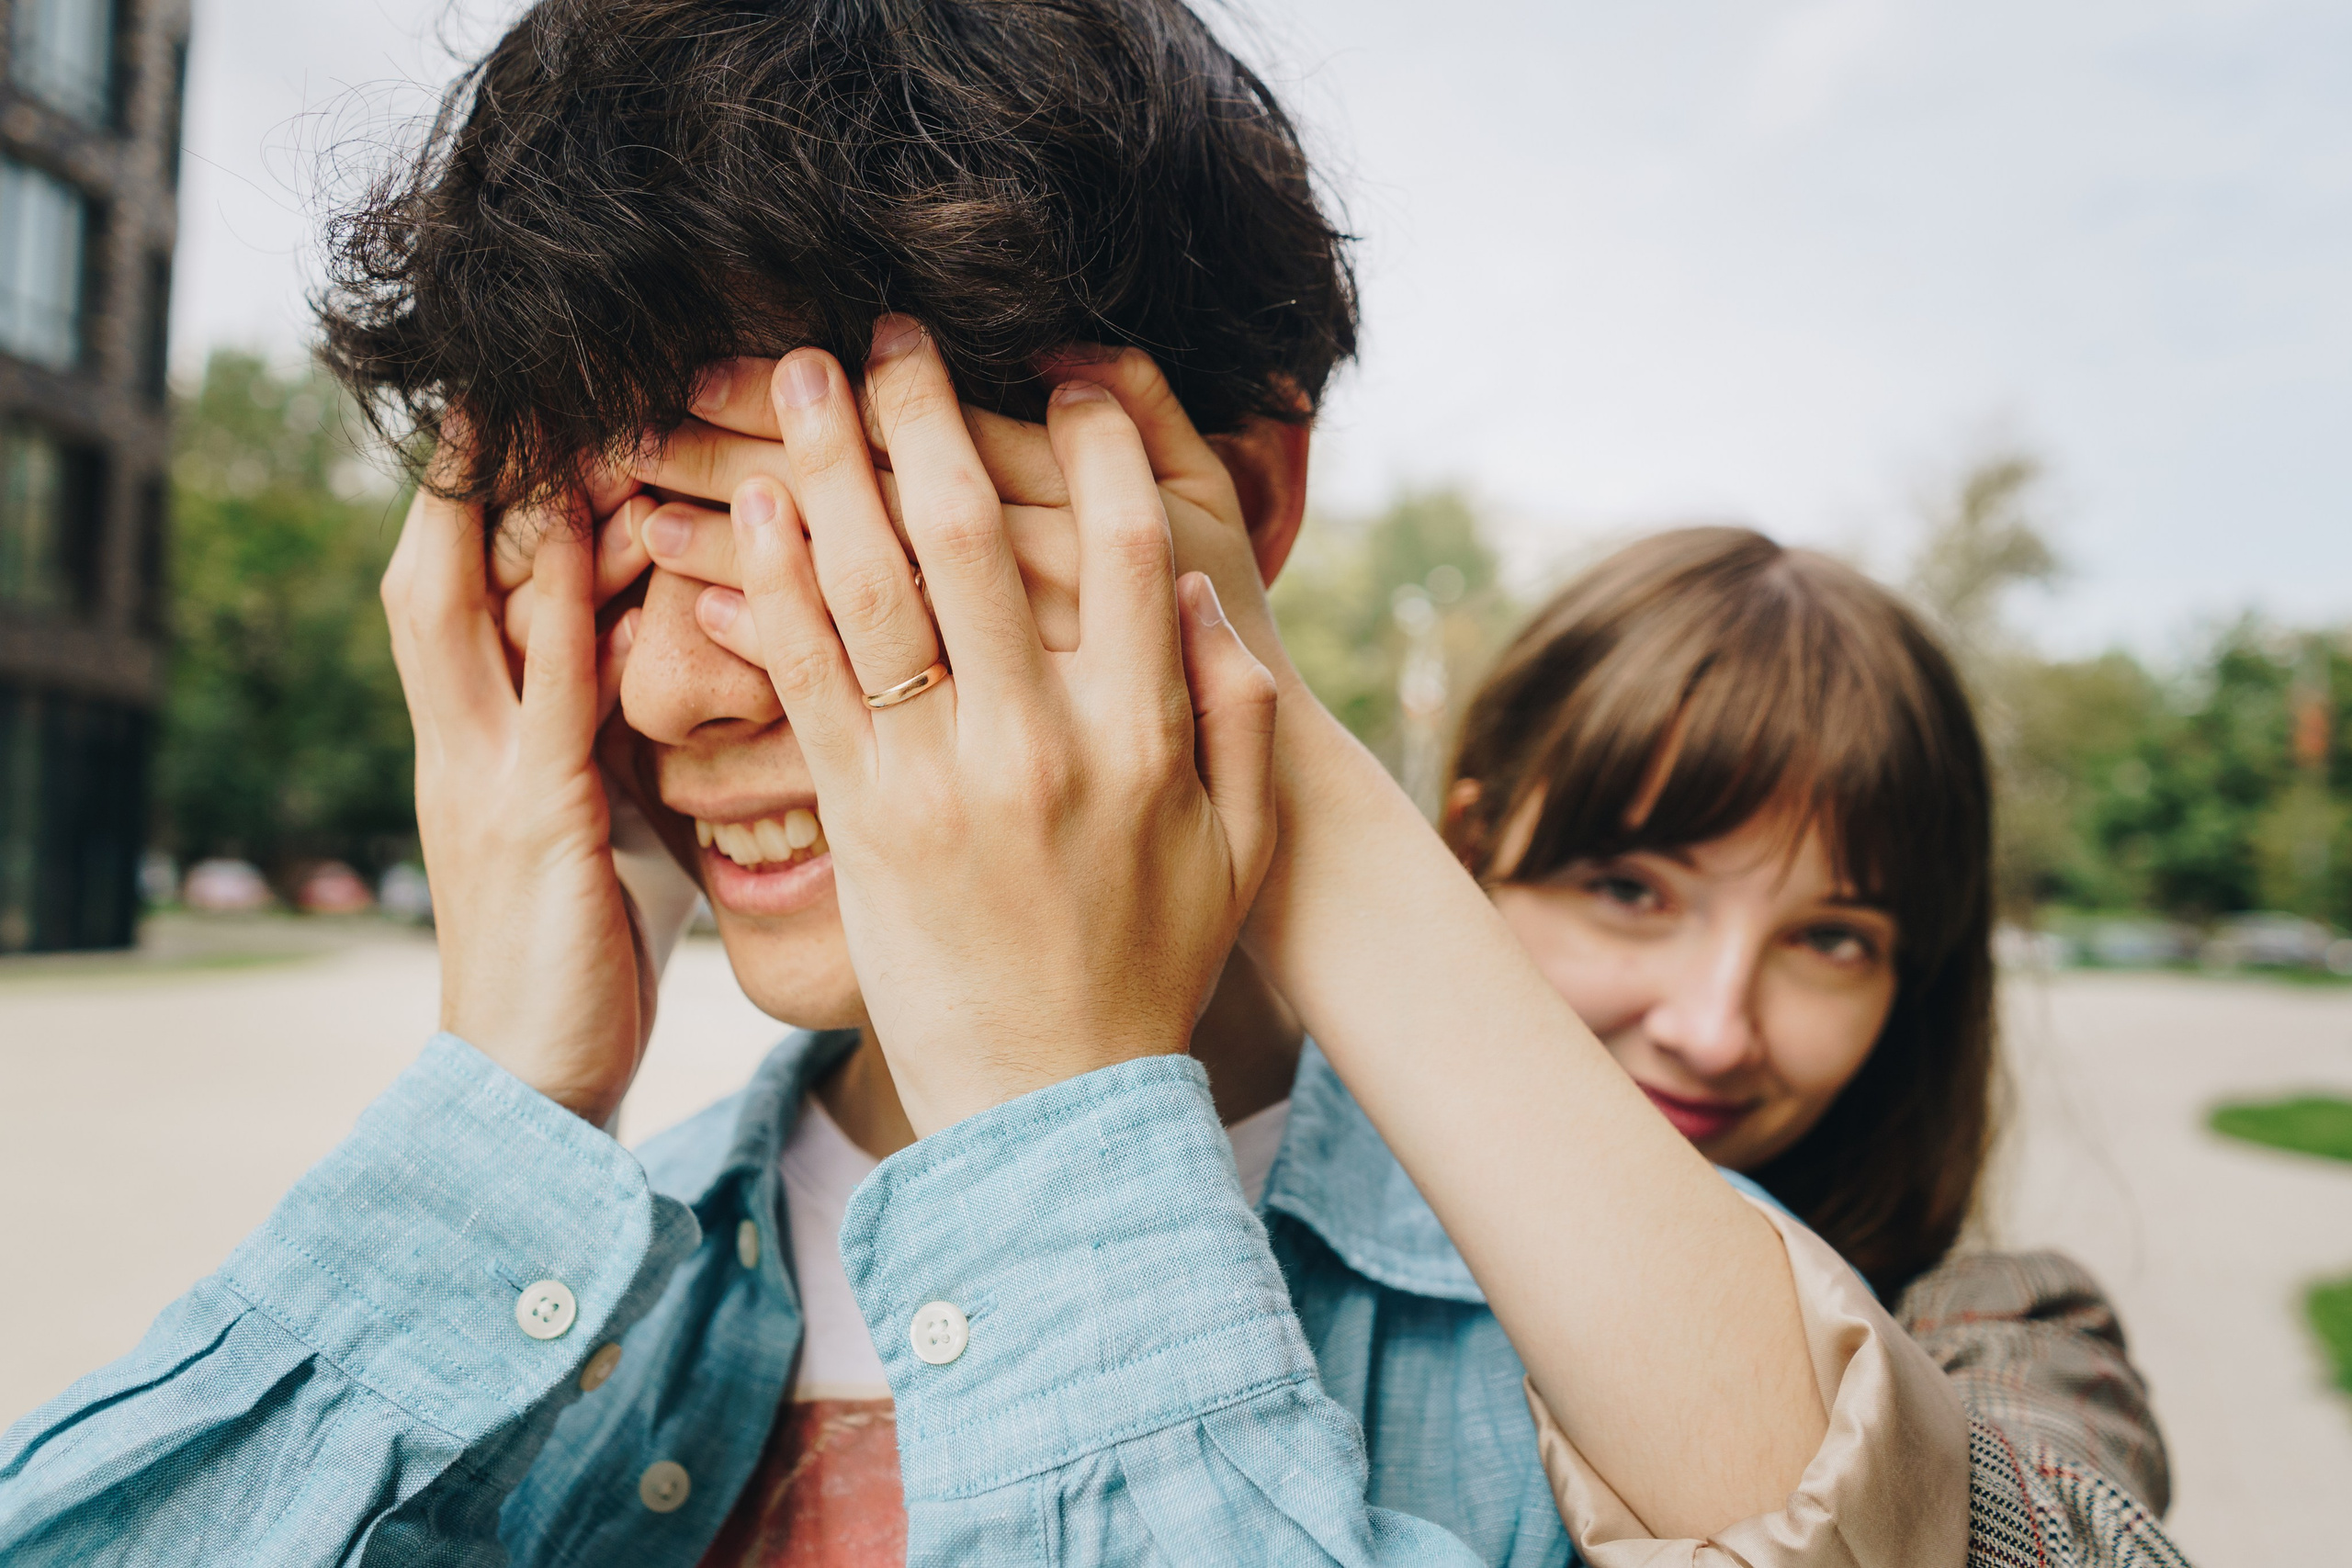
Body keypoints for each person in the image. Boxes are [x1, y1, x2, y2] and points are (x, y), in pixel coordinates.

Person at [0, 1, 1865, 1563]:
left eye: (774, 530)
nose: (659, 682)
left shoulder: (1617, 1338)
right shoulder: (531, 1272)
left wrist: (1057, 1107)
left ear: (1232, 508)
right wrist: (496, 1082)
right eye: (606, 557)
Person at [1441, 527, 2195, 1566]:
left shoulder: (2001, 1326)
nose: (1711, 1033)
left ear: (1909, 988)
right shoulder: (1240, 1194)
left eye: (1830, 939)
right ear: (1463, 857)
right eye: (1628, 890)